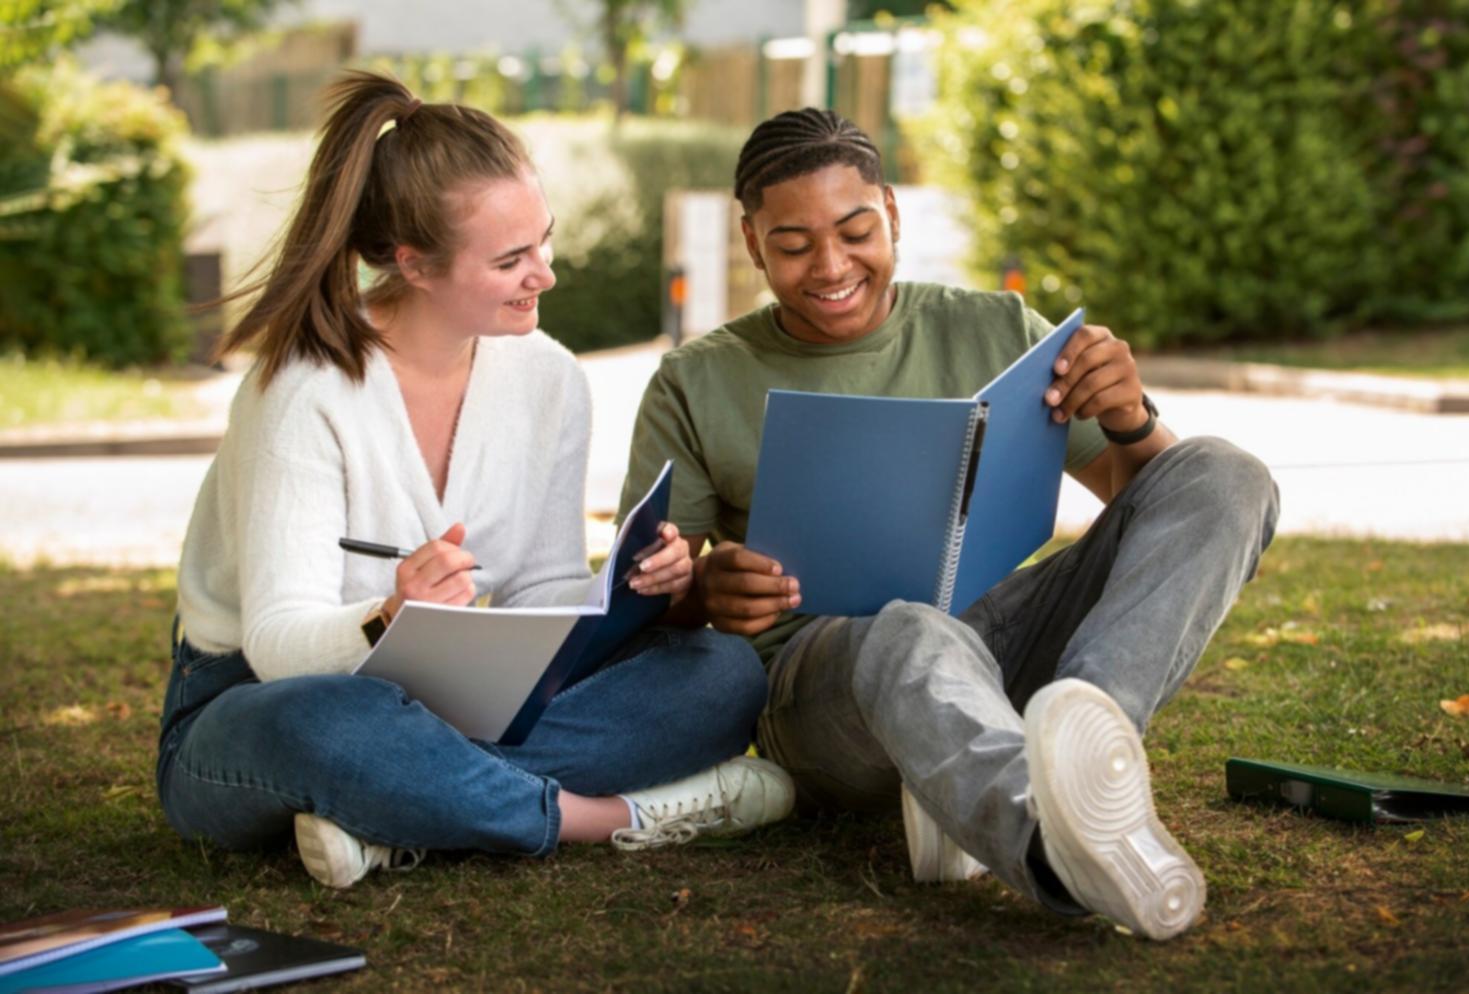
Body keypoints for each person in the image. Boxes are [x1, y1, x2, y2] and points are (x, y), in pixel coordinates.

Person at [618, 108, 1280, 940]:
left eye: (856, 230)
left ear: (891, 213)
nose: (830, 266)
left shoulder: (996, 330)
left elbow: (1151, 504)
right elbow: (637, 606)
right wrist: (708, 591)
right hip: (827, 690)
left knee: (1226, 475)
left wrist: (1130, 420)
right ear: (752, 243)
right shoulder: (695, 381)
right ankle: (1050, 845)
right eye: (792, 246)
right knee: (908, 632)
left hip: (994, 645)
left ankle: (1084, 744)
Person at [155, 72, 793, 890]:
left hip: (464, 701)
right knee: (336, 724)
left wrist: (634, 591)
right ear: (414, 264)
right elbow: (278, 648)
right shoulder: (302, 391)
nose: (546, 274)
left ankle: (397, 822)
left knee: (721, 676)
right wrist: (387, 616)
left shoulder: (548, 380)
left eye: (544, 240)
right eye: (511, 259)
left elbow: (538, 587)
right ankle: (612, 818)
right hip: (258, 706)